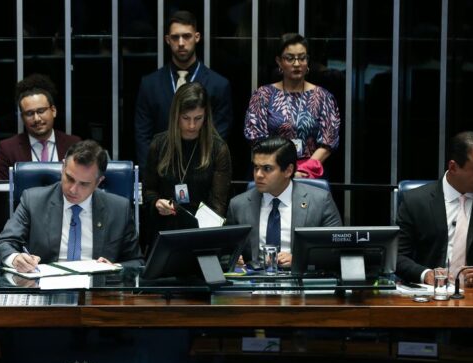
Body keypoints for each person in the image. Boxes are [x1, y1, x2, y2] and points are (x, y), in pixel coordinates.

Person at [0, 140, 143, 271]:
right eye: (69, 178)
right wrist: (15, 258)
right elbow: (2, 246)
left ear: (99, 182)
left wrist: (115, 268)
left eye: (84, 184)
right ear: (63, 167)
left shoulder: (119, 209)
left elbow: (136, 262)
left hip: (97, 294)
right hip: (44, 291)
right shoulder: (33, 200)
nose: (73, 189)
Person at [135, 10, 232, 171]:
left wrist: (201, 170)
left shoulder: (219, 85)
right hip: (161, 170)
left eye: (186, 36)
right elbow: (142, 136)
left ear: (197, 37)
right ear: (167, 40)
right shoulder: (149, 84)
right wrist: (150, 174)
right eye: (175, 37)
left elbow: (218, 137)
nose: (181, 43)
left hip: (203, 170)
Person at [226, 137, 341, 265]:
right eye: (256, 167)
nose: (258, 175)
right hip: (254, 279)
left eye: (267, 168)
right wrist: (234, 258)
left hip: (300, 280)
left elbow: (335, 250)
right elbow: (225, 252)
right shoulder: (237, 205)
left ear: (288, 170)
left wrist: (299, 259)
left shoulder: (320, 201)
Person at [143, 82, 231, 242]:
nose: (192, 125)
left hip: (202, 231)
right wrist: (157, 203)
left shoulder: (218, 149)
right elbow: (148, 191)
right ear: (176, 115)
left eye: (198, 118)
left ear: (206, 116)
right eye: (186, 118)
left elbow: (218, 205)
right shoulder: (159, 144)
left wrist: (198, 232)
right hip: (164, 230)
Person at [244, 33, 340, 179]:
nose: (297, 64)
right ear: (279, 61)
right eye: (290, 58)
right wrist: (283, 171)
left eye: (302, 58)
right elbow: (256, 138)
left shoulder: (323, 97)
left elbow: (328, 142)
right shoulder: (263, 95)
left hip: (310, 174)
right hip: (271, 174)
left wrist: (303, 170)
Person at [396, 131, 473, 286]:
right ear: (453, 167)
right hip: (429, 296)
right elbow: (396, 256)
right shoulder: (416, 202)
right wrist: (425, 273)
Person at [0, 74, 81, 180]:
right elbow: (0, 192)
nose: (37, 118)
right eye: (29, 113)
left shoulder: (73, 145)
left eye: (41, 111)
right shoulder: (8, 149)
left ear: (53, 111)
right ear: (22, 117)